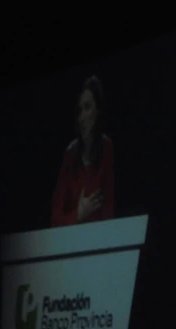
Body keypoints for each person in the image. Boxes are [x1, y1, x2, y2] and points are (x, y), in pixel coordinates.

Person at [51, 75, 114, 227]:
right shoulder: (70, 154)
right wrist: (78, 214)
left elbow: (109, 210)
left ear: (98, 110)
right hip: (72, 236)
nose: (82, 118)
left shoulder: (107, 147)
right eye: (80, 110)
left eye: (87, 107)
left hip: (98, 236)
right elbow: (55, 218)